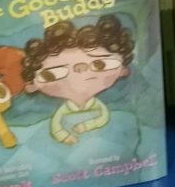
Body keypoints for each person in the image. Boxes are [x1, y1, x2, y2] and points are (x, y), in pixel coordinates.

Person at [22, 16, 134, 145]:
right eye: (52, 74)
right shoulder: (65, 109)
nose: (80, 70)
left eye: (100, 64)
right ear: (32, 86)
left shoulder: (98, 106)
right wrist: (64, 136)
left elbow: (103, 117)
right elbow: (56, 126)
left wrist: (87, 126)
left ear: (123, 70)